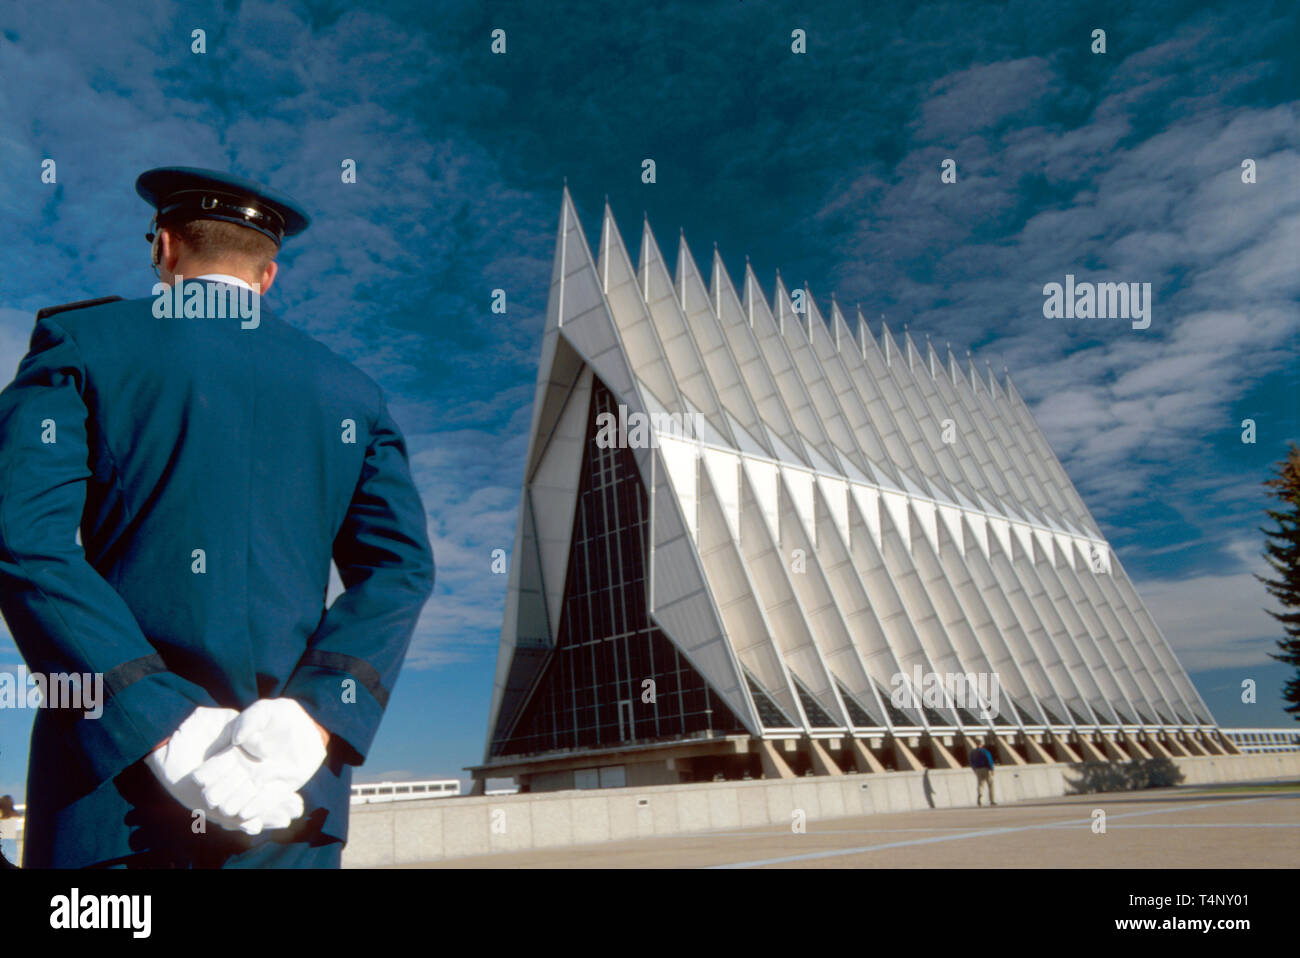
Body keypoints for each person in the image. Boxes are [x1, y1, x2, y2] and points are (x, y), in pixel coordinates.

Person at [0, 167, 435, 868]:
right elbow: (399, 570)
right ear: (268, 276)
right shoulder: (355, 393)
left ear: (165, 249)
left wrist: (162, 725)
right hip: (289, 811)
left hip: (112, 802)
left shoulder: (83, 345)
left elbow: (24, 542)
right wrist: (313, 719)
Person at [970, 741, 996, 806]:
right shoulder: (985, 751)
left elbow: (971, 761)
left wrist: (974, 769)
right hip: (986, 769)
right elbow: (989, 759)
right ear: (981, 744)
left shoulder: (972, 752)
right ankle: (992, 800)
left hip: (978, 769)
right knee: (990, 784)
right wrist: (992, 769)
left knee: (980, 784)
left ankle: (980, 794)